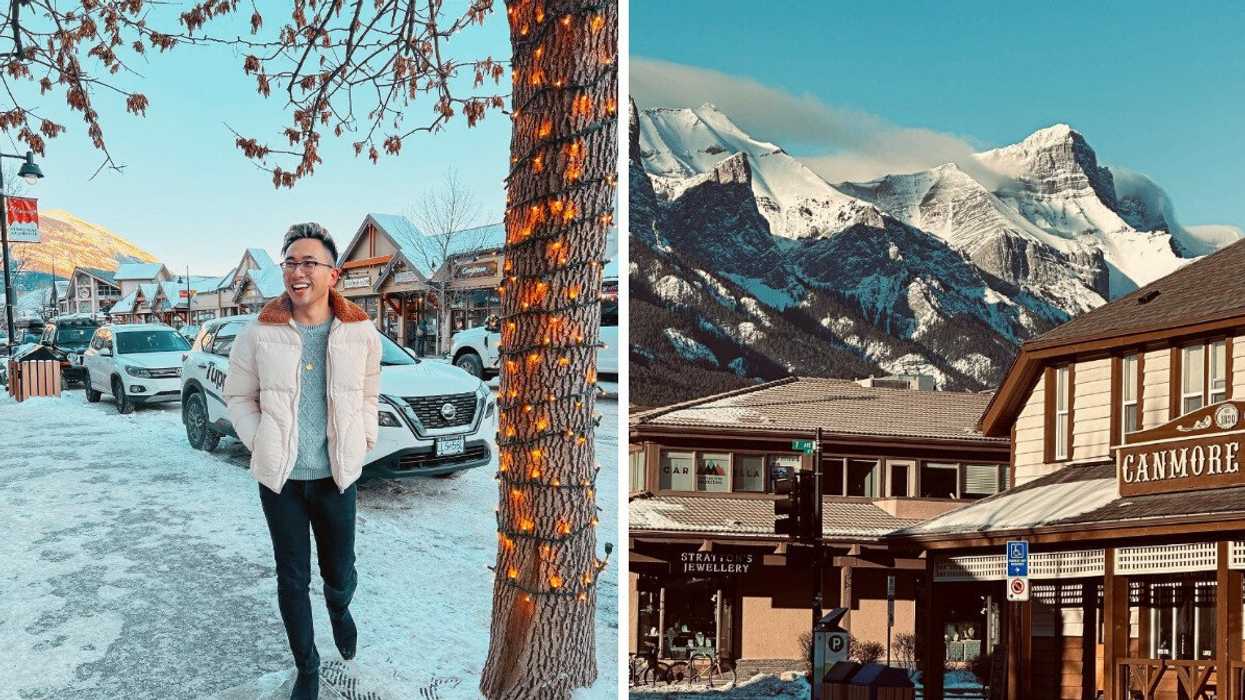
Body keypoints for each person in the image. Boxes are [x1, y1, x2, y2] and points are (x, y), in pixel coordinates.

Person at [224, 223, 381, 700]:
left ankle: (339, 607)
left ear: (332, 274)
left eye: (309, 262)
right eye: (291, 262)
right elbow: (238, 396)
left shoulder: (360, 331)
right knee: (291, 577)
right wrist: (262, 442)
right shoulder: (259, 332)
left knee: (340, 571)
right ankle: (307, 666)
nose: (298, 271)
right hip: (282, 482)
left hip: (337, 476)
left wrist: (364, 437)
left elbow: (370, 392)